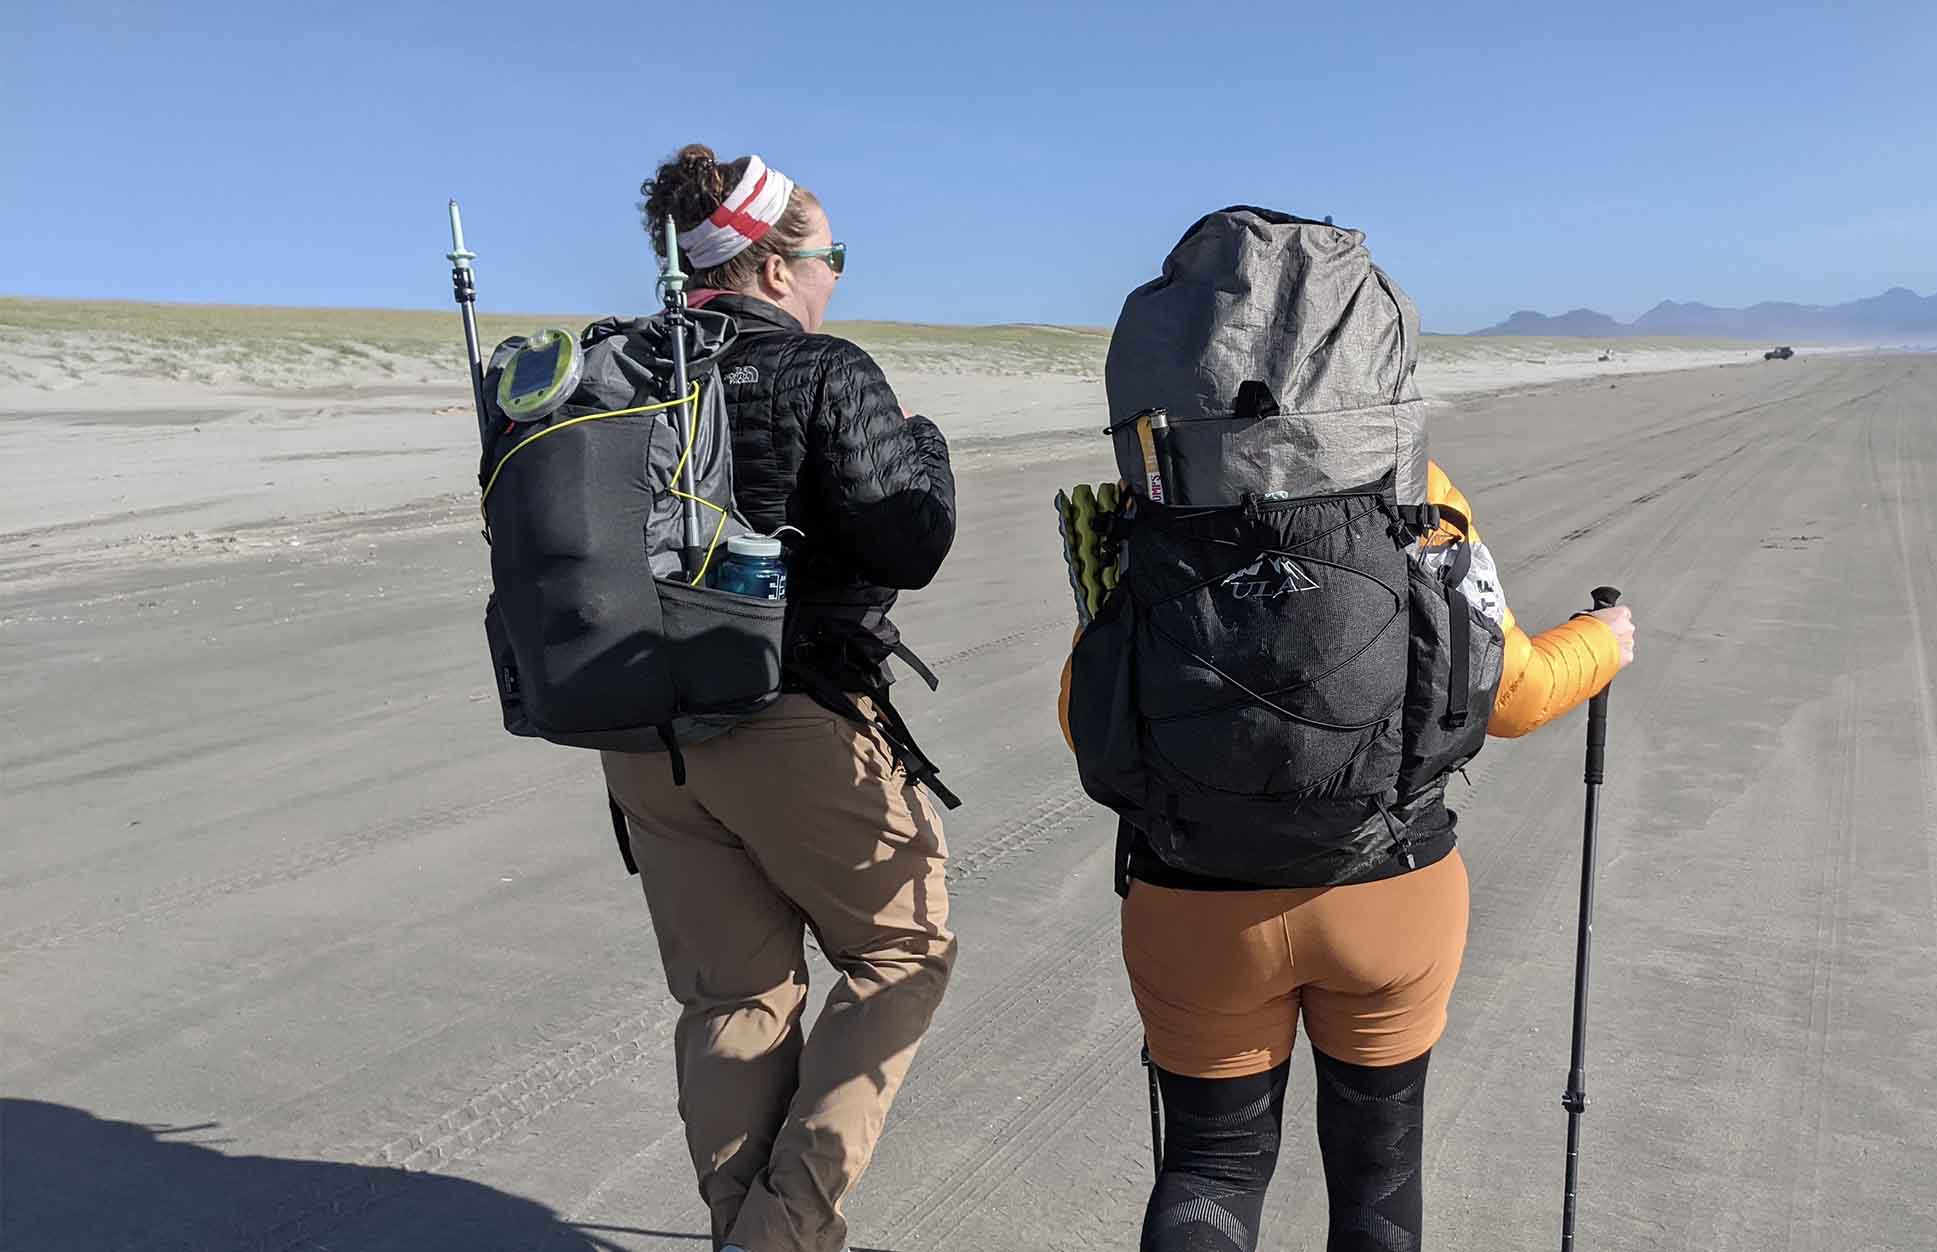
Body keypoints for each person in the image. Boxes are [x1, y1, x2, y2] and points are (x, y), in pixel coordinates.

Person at [1068, 472, 1636, 1252]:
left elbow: (1085, 714)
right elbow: (1509, 695)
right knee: (1379, 1178)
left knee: (1211, 1169)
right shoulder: (1411, 479)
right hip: (1389, 886)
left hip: (1196, 903)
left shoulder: (1156, 490)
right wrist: (1601, 640)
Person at [600, 145, 958, 1252]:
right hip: (785, 715)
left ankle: (744, 1231)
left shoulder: (615, 367)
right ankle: (780, 1230)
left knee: (731, 998)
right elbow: (908, 534)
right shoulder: (822, 368)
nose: (834, 277)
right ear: (767, 266)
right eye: (827, 256)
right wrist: (929, 449)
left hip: (636, 726)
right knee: (903, 951)